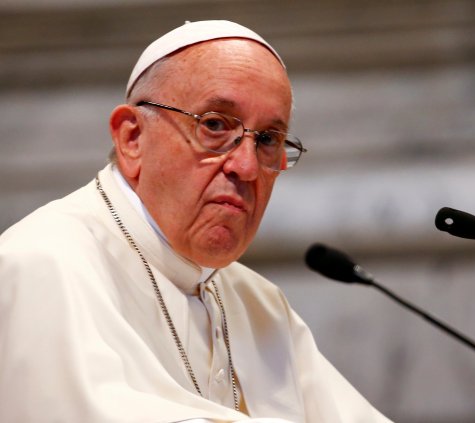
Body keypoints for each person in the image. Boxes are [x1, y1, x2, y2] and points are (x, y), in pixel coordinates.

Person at [0, 20, 392, 423]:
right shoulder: (43, 264)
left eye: (268, 140)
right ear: (132, 138)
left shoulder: (257, 302)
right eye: (215, 125)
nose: (246, 167)